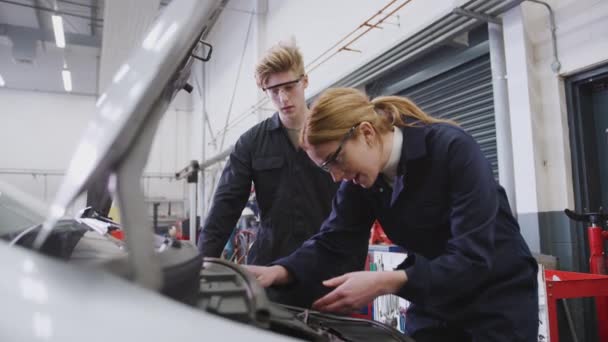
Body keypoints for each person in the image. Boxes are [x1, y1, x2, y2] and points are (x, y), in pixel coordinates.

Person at [245, 88, 539, 341]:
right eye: (326, 168)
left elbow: (473, 256)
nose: (335, 177)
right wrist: (281, 271)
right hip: (437, 297)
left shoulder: (452, 149)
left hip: (496, 294)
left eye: (336, 160)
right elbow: (334, 242)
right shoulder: (361, 182)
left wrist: (387, 281)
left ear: (366, 133)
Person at [198, 42, 342, 305]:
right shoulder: (251, 144)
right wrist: (200, 265)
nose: (283, 98)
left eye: (289, 87)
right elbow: (225, 207)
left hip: (325, 269)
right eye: (274, 91)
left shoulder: (334, 134)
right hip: (268, 270)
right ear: (264, 91)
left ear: (305, 82)